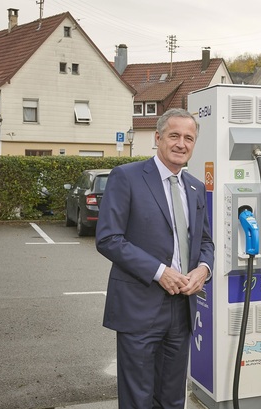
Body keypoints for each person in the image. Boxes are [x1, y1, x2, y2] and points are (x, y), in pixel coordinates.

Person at [96, 108, 214, 409]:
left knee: (173, 398)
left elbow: (204, 241)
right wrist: (159, 271)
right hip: (139, 308)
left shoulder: (196, 187)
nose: (181, 144)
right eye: (174, 136)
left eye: (189, 138)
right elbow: (109, 238)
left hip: (182, 309)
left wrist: (204, 268)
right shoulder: (127, 177)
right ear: (158, 137)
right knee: (137, 399)